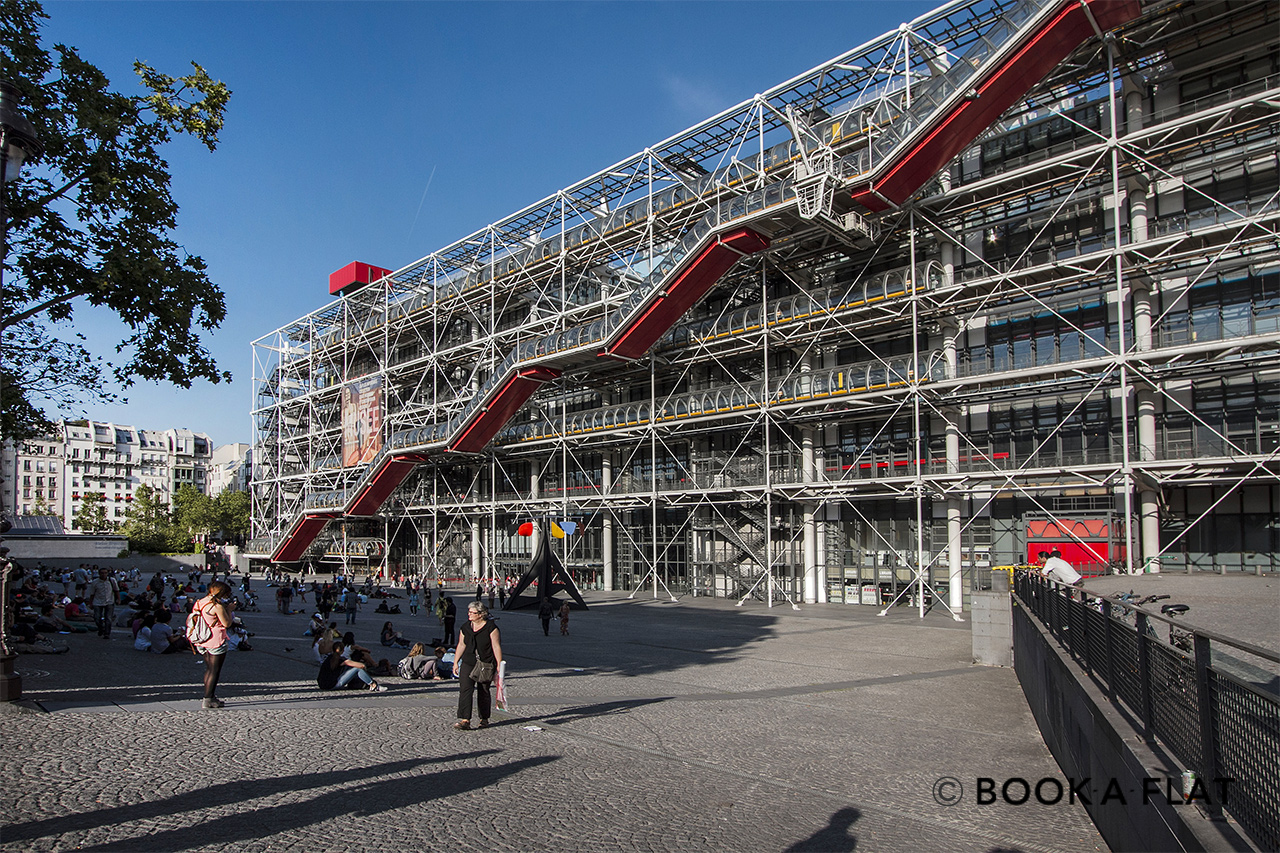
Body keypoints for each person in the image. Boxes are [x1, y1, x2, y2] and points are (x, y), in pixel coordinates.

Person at [453, 601, 503, 730]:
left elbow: (496, 646)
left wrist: (499, 664)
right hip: (468, 662)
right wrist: (456, 662)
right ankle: (465, 719)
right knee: (465, 689)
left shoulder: (491, 628)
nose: (469, 614)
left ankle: (484, 718)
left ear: (481, 614)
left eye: (472, 612)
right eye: (469, 612)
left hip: (485, 663)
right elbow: (461, 644)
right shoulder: (465, 627)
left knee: (484, 691)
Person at [192, 580, 234, 709]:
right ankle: (208, 698)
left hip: (202, 639)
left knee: (209, 669)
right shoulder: (216, 606)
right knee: (214, 670)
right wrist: (229, 610)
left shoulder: (200, 602)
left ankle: (209, 696)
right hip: (215, 639)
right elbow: (227, 623)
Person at [317, 642, 386, 692]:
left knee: (349, 669)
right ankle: (373, 685)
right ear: (342, 651)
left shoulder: (329, 658)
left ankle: (362, 684)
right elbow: (360, 666)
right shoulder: (340, 659)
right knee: (357, 669)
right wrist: (364, 666)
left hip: (323, 685)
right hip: (333, 684)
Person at [87, 568, 119, 639]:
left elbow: (116, 590)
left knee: (108, 618)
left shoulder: (112, 580)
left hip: (109, 601)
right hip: (98, 601)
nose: (104, 574)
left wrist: (118, 599)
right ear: (99, 574)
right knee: (97, 617)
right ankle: (101, 628)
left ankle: (107, 633)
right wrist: (90, 603)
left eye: (105, 573)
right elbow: (92, 593)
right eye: (102, 573)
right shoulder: (95, 582)